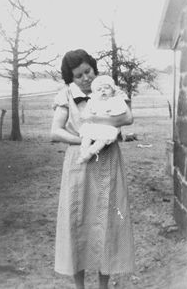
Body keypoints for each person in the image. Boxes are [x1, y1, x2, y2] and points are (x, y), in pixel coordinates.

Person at [51, 49, 135, 289]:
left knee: (107, 223)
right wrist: (83, 138)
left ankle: (103, 285)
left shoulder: (110, 88)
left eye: (88, 71)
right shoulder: (66, 95)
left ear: (94, 67)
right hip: (80, 163)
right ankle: (79, 286)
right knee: (76, 223)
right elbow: (55, 131)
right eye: (78, 76)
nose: (86, 78)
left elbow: (127, 118)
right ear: (71, 79)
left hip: (107, 161)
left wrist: (98, 126)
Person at [77, 74, 128, 164]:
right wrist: (88, 115)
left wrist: (110, 111)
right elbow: (86, 114)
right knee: (87, 133)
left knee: (103, 138)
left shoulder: (115, 101)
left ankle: (90, 152)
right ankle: (84, 150)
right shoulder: (93, 102)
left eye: (106, 88)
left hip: (109, 126)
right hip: (96, 126)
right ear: (95, 93)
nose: (103, 90)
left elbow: (121, 112)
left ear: (112, 90)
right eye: (99, 89)